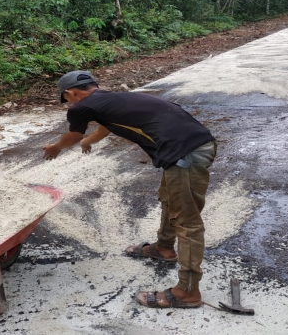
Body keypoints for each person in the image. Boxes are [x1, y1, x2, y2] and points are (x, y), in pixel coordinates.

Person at [43, 70, 216, 309]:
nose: (69, 103)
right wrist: (88, 142)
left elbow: (72, 135)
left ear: (70, 92)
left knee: (188, 223)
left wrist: (55, 147)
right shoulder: (114, 99)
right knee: (169, 198)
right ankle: (164, 248)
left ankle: (187, 292)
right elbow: (105, 128)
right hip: (188, 147)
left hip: (185, 153)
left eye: (67, 99)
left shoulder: (81, 107)